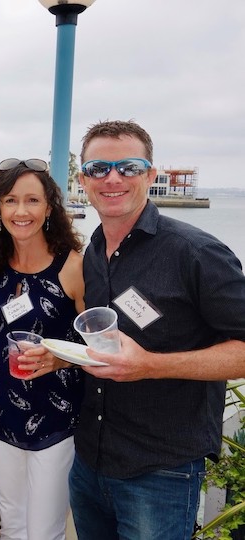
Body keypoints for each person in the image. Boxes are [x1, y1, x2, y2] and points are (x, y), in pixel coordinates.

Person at [69, 120, 245, 539]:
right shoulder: (93, 250)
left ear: (150, 175)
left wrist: (150, 365)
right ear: (83, 180)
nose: (112, 178)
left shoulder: (196, 253)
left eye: (128, 167)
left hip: (161, 471)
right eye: (98, 168)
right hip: (90, 461)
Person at [0, 158, 85, 540]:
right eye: (10, 201)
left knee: (43, 532)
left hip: (56, 418)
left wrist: (58, 357)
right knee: (13, 525)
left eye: (32, 201)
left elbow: (98, 345)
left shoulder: (73, 267)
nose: (21, 211)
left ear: (49, 208)